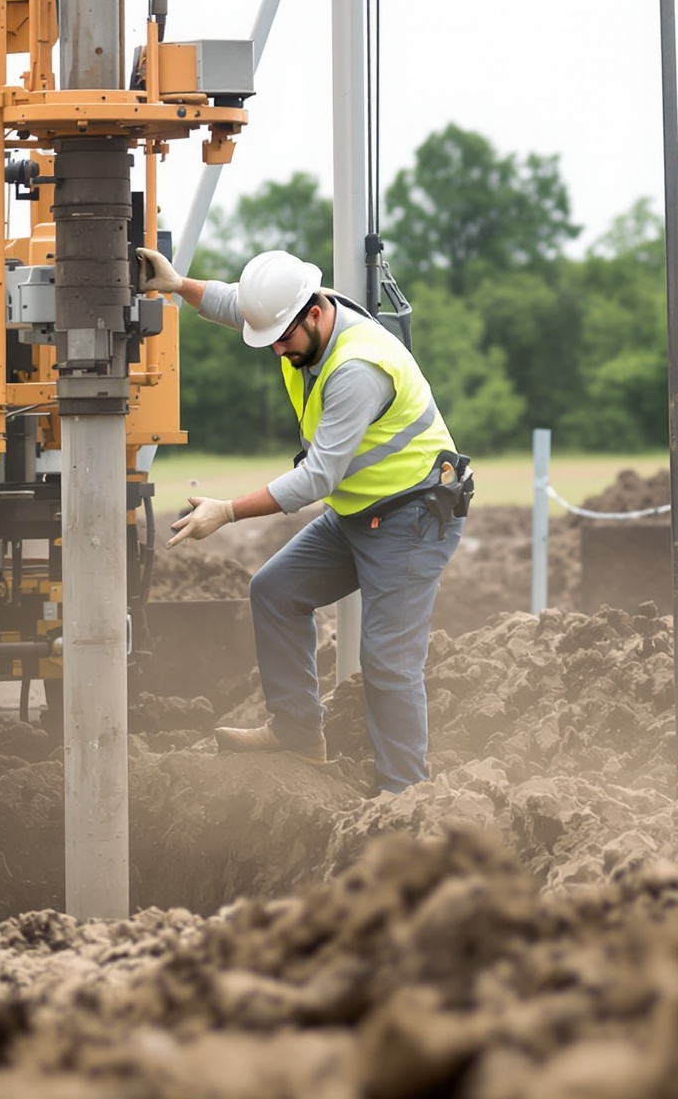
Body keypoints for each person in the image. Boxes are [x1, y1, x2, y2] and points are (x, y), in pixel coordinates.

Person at [139, 245, 468, 795]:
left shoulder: (357, 371)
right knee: (275, 590)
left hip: (412, 517)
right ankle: (297, 733)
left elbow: (316, 479)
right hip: (361, 512)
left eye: (283, 339)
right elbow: (236, 306)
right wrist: (178, 285)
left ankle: (404, 796)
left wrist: (228, 511)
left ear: (314, 314)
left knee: (388, 660)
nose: (277, 351)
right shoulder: (300, 315)